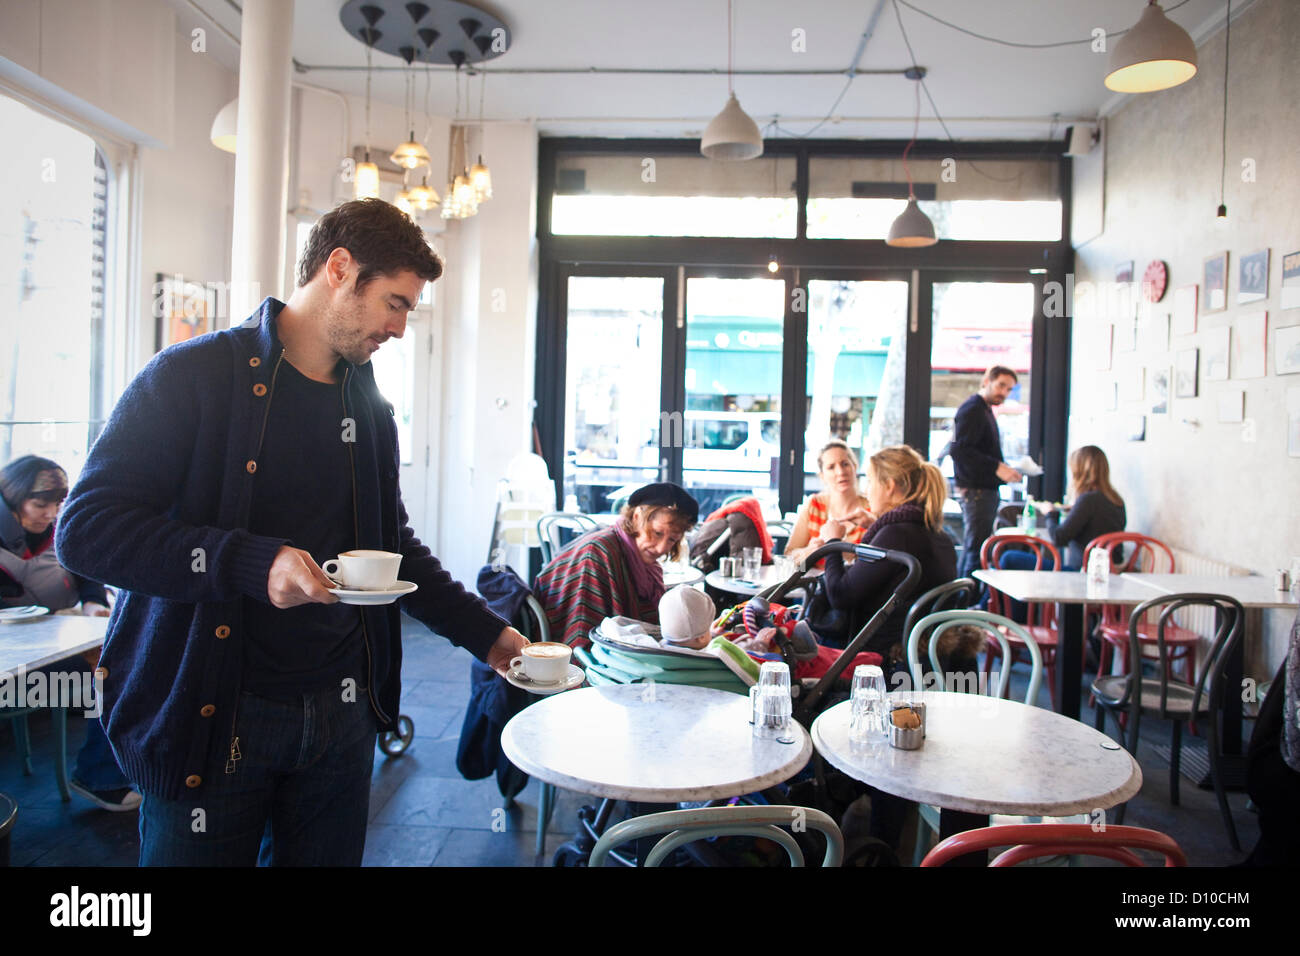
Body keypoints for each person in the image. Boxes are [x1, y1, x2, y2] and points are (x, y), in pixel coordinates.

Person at [55, 198, 528, 866]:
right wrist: (250, 562)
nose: (398, 327)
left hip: (341, 715)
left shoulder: (369, 408)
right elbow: (86, 532)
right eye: (394, 302)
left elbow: (392, 549)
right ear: (340, 268)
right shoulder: (191, 377)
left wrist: (490, 636)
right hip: (213, 718)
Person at [1, 456, 139, 811]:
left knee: (119, 670)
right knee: (108, 677)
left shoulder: (62, 530)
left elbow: (87, 577)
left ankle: (103, 773)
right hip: (13, 674)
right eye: (40, 504)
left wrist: (93, 604)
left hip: (55, 647)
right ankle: (99, 776)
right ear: (12, 498)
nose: (49, 513)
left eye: (57, 503)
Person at [815, 445, 957, 666]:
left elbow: (840, 595)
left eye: (871, 481)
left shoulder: (896, 534)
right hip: (925, 650)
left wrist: (832, 543)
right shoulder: (935, 532)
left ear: (889, 486)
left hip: (882, 654)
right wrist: (876, 528)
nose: (867, 489)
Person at [534, 482, 698, 647]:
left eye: (672, 539)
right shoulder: (597, 553)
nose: (662, 548)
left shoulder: (646, 566)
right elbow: (582, 637)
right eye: (657, 533)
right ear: (636, 518)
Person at [948, 365, 1023, 578]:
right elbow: (959, 450)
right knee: (975, 551)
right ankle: (965, 605)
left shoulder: (984, 409)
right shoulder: (973, 409)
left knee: (974, 548)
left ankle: (964, 600)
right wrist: (997, 467)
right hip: (976, 492)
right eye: (1001, 385)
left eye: (1009, 389)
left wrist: (1004, 468)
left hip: (982, 491)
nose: (1004, 393)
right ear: (986, 381)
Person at [784, 439, 874, 565]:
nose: (840, 472)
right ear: (822, 475)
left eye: (845, 464)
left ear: (855, 466)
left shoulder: (872, 508)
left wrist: (848, 553)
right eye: (831, 467)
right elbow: (788, 559)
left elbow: (880, 565)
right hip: (814, 583)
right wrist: (808, 553)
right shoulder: (814, 505)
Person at [1043, 445, 1126, 570]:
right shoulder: (1116, 499)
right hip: (1113, 570)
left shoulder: (1088, 500)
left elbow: (1058, 537)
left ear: (1080, 471)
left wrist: (1050, 513)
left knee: (1009, 557)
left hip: (1084, 572)